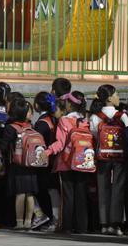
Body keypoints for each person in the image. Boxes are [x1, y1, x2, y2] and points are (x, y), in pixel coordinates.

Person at [44, 93, 90, 234]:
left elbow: (61, 143)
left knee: (68, 196)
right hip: (83, 162)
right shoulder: (84, 120)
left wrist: (48, 151)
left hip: (66, 162)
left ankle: (67, 226)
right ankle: (82, 227)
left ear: (69, 105)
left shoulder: (64, 120)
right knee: (81, 195)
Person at [0, 96, 48, 230]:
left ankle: (19, 222)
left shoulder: (11, 128)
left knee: (20, 194)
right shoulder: (31, 127)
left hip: (17, 166)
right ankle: (28, 222)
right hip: (31, 166)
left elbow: (3, 147)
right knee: (30, 194)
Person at [90, 84, 128, 235]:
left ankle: (104, 224)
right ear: (109, 98)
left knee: (103, 189)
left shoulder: (95, 117)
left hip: (102, 157)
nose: (118, 97)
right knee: (118, 189)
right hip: (120, 157)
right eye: (116, 94)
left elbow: (95, 136)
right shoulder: (123, 116)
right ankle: (116, 224)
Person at [32, 92, 59, 226]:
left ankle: (48, 217)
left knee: (43, 190)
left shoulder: (41, 123)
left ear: (36, 105)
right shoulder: (54, 119)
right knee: (53, 190)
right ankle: (55, 218)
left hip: (44, 161)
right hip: (55, 159)